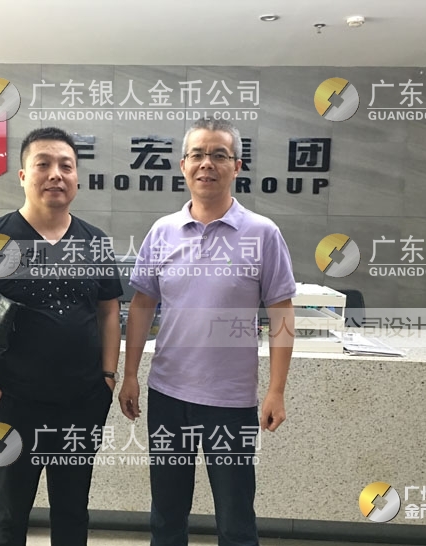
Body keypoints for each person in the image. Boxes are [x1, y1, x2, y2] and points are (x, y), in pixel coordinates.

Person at [119, 118, 296, 546]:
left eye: (219, 155)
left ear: (236, 166)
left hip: (230, 403)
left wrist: (276, 390)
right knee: (166, 515)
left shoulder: (262, 234)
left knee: (236, 520)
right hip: (168, 396)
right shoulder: (163, 232)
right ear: (183, 165)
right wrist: (130, 375)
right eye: (197, 154)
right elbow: (142, 305)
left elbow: (281, 312)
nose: (207, 164)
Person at [0, 127, 122, 546]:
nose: (56, 174)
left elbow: (109, 311)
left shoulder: (94, 242)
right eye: (43, 164)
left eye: (66, 166)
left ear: (77, 178)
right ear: (23, 176)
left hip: (82, 403)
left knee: (72, 512)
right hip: (14, 404)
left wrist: (108, 378)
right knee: (9, 515)